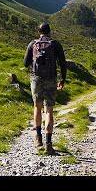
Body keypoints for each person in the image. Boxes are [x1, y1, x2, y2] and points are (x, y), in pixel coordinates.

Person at [23, 22, 66, 155]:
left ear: (39, 31)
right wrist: (62, 79)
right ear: (49, 32)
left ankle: (38, 139)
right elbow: (63, 63)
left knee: (37, 107)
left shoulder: (32, 44)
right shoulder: (55, 44)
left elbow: (25, 63)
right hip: (51, 79)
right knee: (49, 110)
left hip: (36, 79)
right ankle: (48, 144)